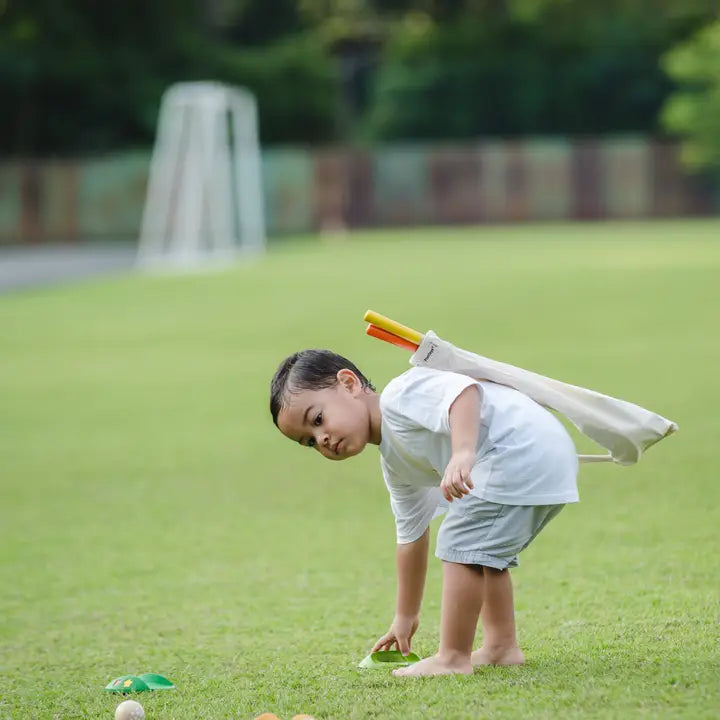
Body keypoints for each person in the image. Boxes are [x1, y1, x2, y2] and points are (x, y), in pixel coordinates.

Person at [269, 348, 579, 677]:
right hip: (542, 455)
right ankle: (501, 647)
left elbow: (463, 392)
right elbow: (411, 538)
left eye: (317, 420)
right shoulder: (395, 464)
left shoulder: (401, 396)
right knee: (483, 551)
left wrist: (462, 452)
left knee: (461, 541)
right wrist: (405, 617)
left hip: (519, 449)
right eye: (310, 442)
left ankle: (452, 658)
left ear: (349, 384)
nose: (322, 439)